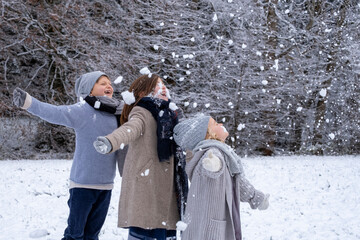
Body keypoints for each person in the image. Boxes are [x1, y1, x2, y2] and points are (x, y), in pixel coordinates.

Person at [12, 71, 127, 240]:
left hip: (106, 186)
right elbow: (54, 112)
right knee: (75, 235)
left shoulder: (118, 113)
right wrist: (29, 103)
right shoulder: (82, 111)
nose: (108, 86)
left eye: (109, 83)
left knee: (92, 235)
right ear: (89, 90)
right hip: (82, 185)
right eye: (102, 83)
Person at [93, 74, 188, 240]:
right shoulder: (142, 112)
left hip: (170, 189)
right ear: (143, 93)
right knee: (147, 230)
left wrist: (207, 156)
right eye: (157, 85)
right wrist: (110, 141)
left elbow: (185, 146)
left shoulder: (172, 116)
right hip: (148, 187)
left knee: (166, 231)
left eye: (164, 84)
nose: (164, 87)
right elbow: (130, 129)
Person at [173, 115, 270, 240]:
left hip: (208, 223)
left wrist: (255, 197)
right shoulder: (212, 152)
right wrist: (214, 165)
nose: (220, 124)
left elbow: (236, 182)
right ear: (208, 134)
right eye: (215, 124)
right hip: (210, 229)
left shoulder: (221, 152)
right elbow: (211, 169)